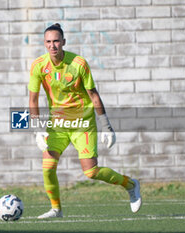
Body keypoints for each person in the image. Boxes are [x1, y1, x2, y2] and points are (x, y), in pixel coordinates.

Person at [28, 23, 142, 219]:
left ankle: (130, 184)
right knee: (47, 169)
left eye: (56, 41)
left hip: (82, 122)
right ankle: (56, 209)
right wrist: (38, 130)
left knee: (91, 172)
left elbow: (94, 95)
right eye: (48, 41)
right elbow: (33, 100)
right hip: (58, 123)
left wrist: (106, 126)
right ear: (44, 44)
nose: (52, 45)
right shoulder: (38, 65)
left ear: (63, 42)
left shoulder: (79, 63)